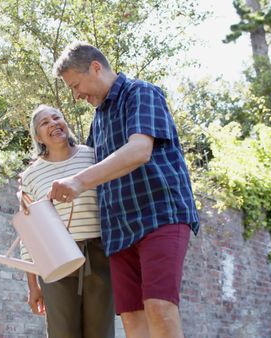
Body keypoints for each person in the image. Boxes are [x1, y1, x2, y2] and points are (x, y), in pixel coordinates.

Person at [48, 41, 200, 338]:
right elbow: (81, 163)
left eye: (76, 85)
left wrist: (78, 182)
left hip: (160, 216)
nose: (77, 95)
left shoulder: (141, 93)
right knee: (131, 318)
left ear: (95, 67)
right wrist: (37, 176)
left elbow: (139, 150)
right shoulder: (98, 121)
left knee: (159, 306)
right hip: (118, 231)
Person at [17, 104, 115, 338]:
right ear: (38, 137)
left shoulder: (94, 156)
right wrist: (33, 285)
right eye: (44, 122)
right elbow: (30, 234)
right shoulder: (31, 176)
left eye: (56, 117)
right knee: (62, 333)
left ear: (66, 123)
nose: (53, 123)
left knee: (100, 333)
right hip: (54, 260)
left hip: (98, 254)